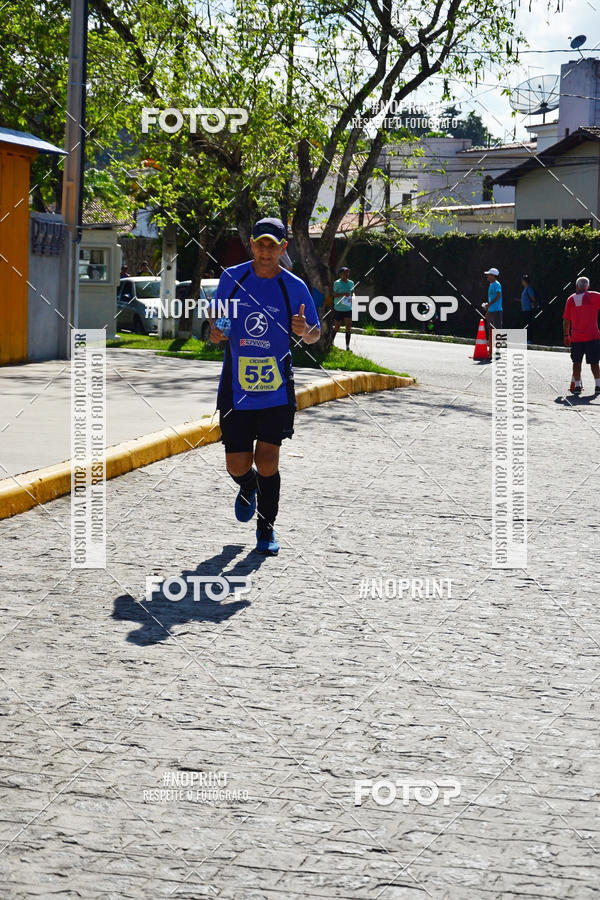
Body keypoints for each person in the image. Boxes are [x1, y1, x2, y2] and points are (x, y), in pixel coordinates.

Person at [210, 217, 321, 554]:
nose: (265, 251)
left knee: (268, 460)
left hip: (275, 388)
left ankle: (266, 528)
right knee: (236, 464)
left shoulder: (294, 286)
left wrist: (304, 331)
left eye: (273, 246)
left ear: (283, 248)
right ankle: (248, 486)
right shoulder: (232, 278)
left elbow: (315, 334)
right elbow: (217, 323)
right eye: (260, 244)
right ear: (252, 245)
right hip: (236, 386)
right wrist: (216, 332)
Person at [562, 276, 600, 395]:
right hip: (593, 336)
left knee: (576, 362)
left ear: (576, 286)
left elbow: (566, 320)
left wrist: (566, 335)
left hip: (577, 337)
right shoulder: (595, 296)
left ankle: (577, 386)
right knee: (594, 362)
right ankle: (598, 385)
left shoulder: (571, 299)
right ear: (588, 287)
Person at [332, 266, 355, 350]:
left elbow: (352, 293)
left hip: (348, 308)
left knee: (348, 327)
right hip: (338, 308)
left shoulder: (351, 283)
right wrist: (343, 294)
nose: (347, 274)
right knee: (337, 327)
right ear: (341, 274)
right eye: (345, 272)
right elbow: (333, 294)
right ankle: (330, 342)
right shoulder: (337, 283)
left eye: (348, 272)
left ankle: (347, 346)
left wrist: (353, 297)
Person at [482, 267, 503, 357]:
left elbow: (498, 296)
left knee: (497, 331)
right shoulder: (491, 285)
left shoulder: (497, 284)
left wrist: (489, 305)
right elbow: (491, 298)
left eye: (489, 275)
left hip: (497, 311)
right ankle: (490, 350)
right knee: (490, 330)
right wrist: (488, 310)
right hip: (491, 311)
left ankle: (498, 350)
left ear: (493, 276)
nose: (487, 276)